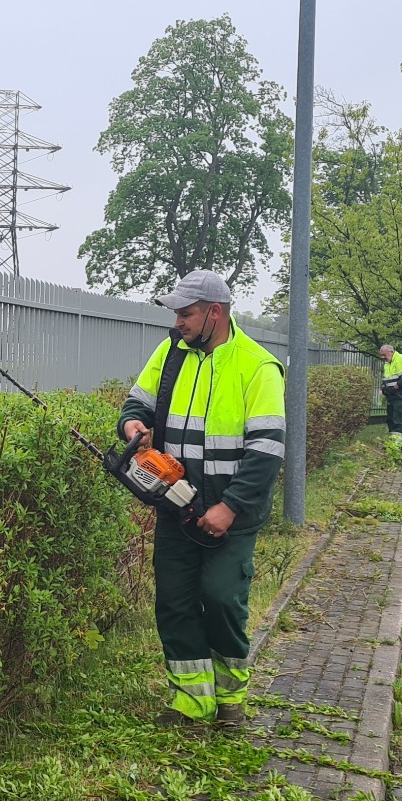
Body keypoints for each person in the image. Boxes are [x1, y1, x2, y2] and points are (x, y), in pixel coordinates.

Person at [118, 270, 286, 727]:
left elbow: (267, 449)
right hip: (175, 504)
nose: (178, 323)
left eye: (186, 313)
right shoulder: (172, 353)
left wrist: (228, 507)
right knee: (174, 600)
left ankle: (231, 700)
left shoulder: (258, 366)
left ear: (216, 312)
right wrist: (133, 425)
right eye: (176, 313)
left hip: (231, 511)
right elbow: (137, 402)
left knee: (221, 598)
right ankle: (191, 703)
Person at [378, 343, 402, 434]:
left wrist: (395, 388)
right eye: (381, 355)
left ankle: (397, 442)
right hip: (392, 395)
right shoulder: (387, 363)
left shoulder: (401, 359)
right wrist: (384, 386)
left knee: (398, 419)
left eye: (384, 355)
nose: (382, 357)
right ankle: (392, 440)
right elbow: (387, 377)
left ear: (391, 351)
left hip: (400, 394)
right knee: (390, 419)